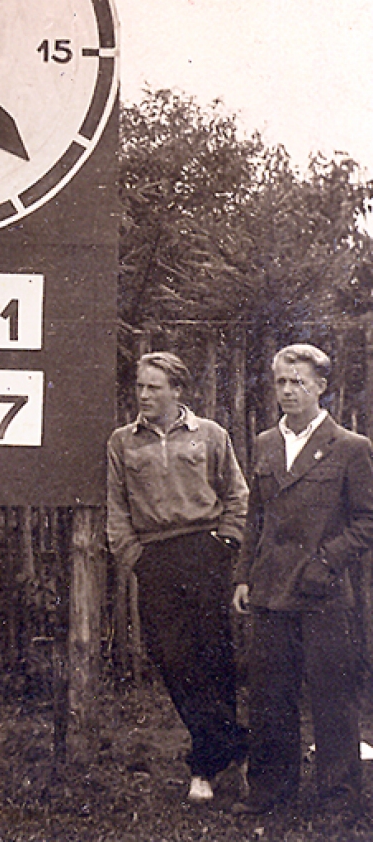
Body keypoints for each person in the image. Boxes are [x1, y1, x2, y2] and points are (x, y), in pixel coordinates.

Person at [232, 343, 373, 818]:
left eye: (299, 382)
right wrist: (245, 576)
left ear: (321, 388)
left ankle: (339, 798)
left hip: (323, 593)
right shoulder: (266, 442)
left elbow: (367, 522)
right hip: (272, 590)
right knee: (270, 696)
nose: (288, 391)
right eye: (281, 382)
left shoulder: (351, 448)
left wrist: (326, 561)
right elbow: (256, 516)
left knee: (332, 699)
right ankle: (271, 790)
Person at [107, 351, 249, 804]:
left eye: (154, 387)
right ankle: (234, 746)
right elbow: (116, 509)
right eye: (140, 387)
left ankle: (205, 766)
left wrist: (226, 543)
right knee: (172, 659)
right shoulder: (122, 442)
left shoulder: (210, 435)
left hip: (205, 553)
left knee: (214, 660)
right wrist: (135, 557)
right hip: (156, 560)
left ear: (177, 390)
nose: (144, 395)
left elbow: (236, 494)